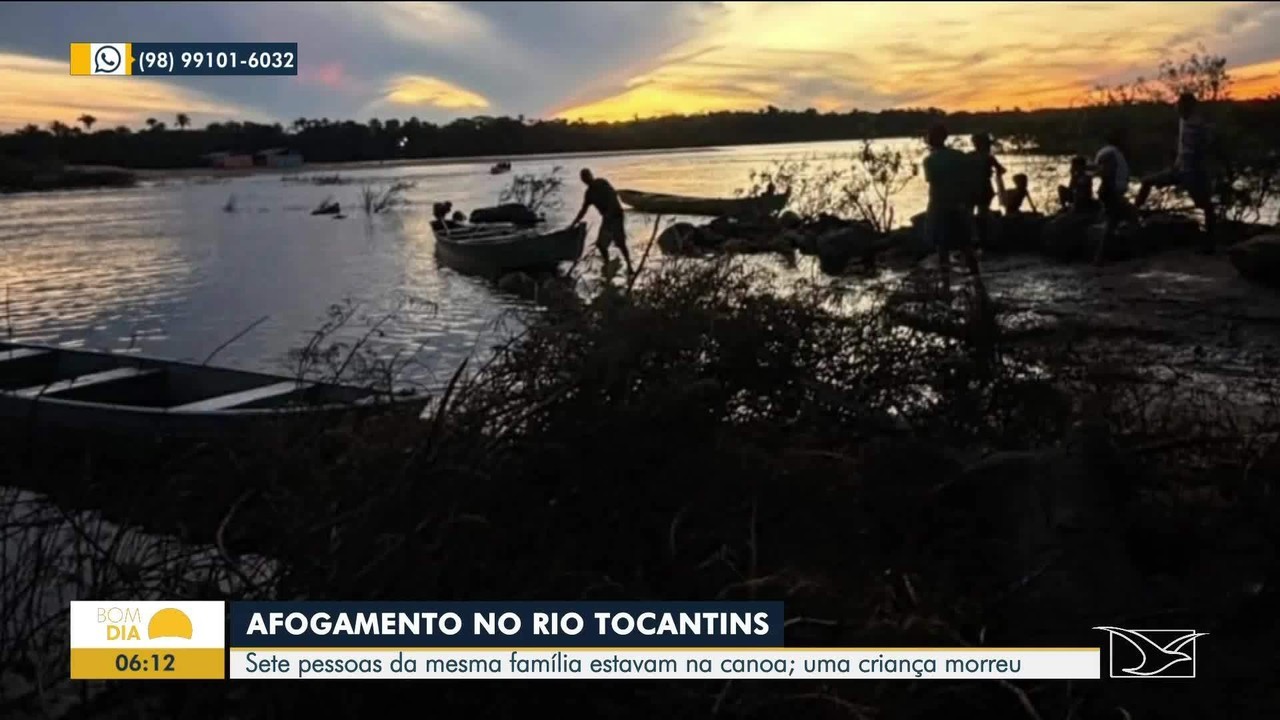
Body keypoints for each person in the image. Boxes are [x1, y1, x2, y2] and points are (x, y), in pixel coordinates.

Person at [1133, 92, 1216, 253]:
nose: (1177, 108)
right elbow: (1182, 148)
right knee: (1147, 181)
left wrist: (1200, 168)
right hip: (1179, 170)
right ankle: (1132, 218)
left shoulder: (1198, 125)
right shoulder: (1183, 121)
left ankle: (1209, 243)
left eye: (1180, 105)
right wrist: (1176, 164)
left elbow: (1206, 145)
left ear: (1188, 107)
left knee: (1205, 205)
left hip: (1193, 172)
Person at [922, 123, 985, 297]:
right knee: (965, 245)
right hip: (959, 205)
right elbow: (968, 178)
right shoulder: (959, 156)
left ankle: (945, 285)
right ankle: (977, 280)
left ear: (932, 139)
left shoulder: (930, 160)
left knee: (942, 246)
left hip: (940, 205)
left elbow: (933, 182)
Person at [571, 168, 633, 276]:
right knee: (601, 245)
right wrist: (574, 222)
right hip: (607, 218)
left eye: (587, 176)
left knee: (620, 242)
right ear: (583, 180)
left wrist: (610, 211)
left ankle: (629, 266)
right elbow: (583, 209)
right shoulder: (589, 194)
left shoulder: (601, 183)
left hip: (616, 215)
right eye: (584, 178)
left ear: (591, 175)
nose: (586, 179)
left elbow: (613, 195)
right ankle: (607, 264)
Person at [1092, 127, 1134, 264]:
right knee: (1114, 221)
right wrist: (1114, 194)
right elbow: (1107, 173)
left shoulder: (1110, 152)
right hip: (1111, 192)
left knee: (1116, 220)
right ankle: (1100, 257)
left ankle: (1104, 255)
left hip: (1111, 192)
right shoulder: (1110, 154)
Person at [969, 132, 1006, 249]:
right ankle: (983, 239)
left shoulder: (970, 156)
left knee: (971, 214)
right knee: (982, 214)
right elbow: (1002, 170)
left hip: (972, 189)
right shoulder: (988, 157)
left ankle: (974, 239)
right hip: (985, 188)